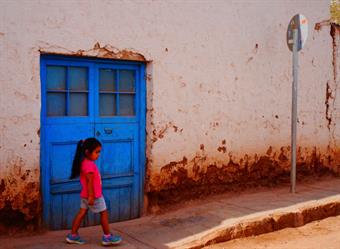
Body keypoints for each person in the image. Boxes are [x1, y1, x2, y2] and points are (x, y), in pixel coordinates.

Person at [65, 138, 122, 246]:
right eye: (97, 152)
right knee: (104, 213)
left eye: (99, 152)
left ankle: (73, 235)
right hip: (94, 195)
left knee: (82, 213)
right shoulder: (89, 165)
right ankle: (107, 236)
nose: (98, 155)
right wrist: (91, 196)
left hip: (85, 195)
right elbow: (89, 181)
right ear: (87, 152)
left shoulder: (85, 163)